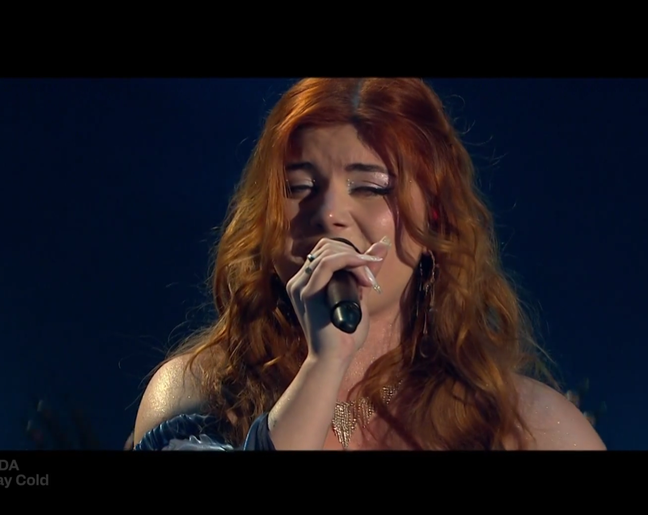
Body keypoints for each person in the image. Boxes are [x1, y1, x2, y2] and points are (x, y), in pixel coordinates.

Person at [132, 78, 606, 451]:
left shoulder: (527, 426)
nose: (329, 214)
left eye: (371, 187)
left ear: (434, 218)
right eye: (299, 188)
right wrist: (326, 365)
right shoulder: (197, 393)